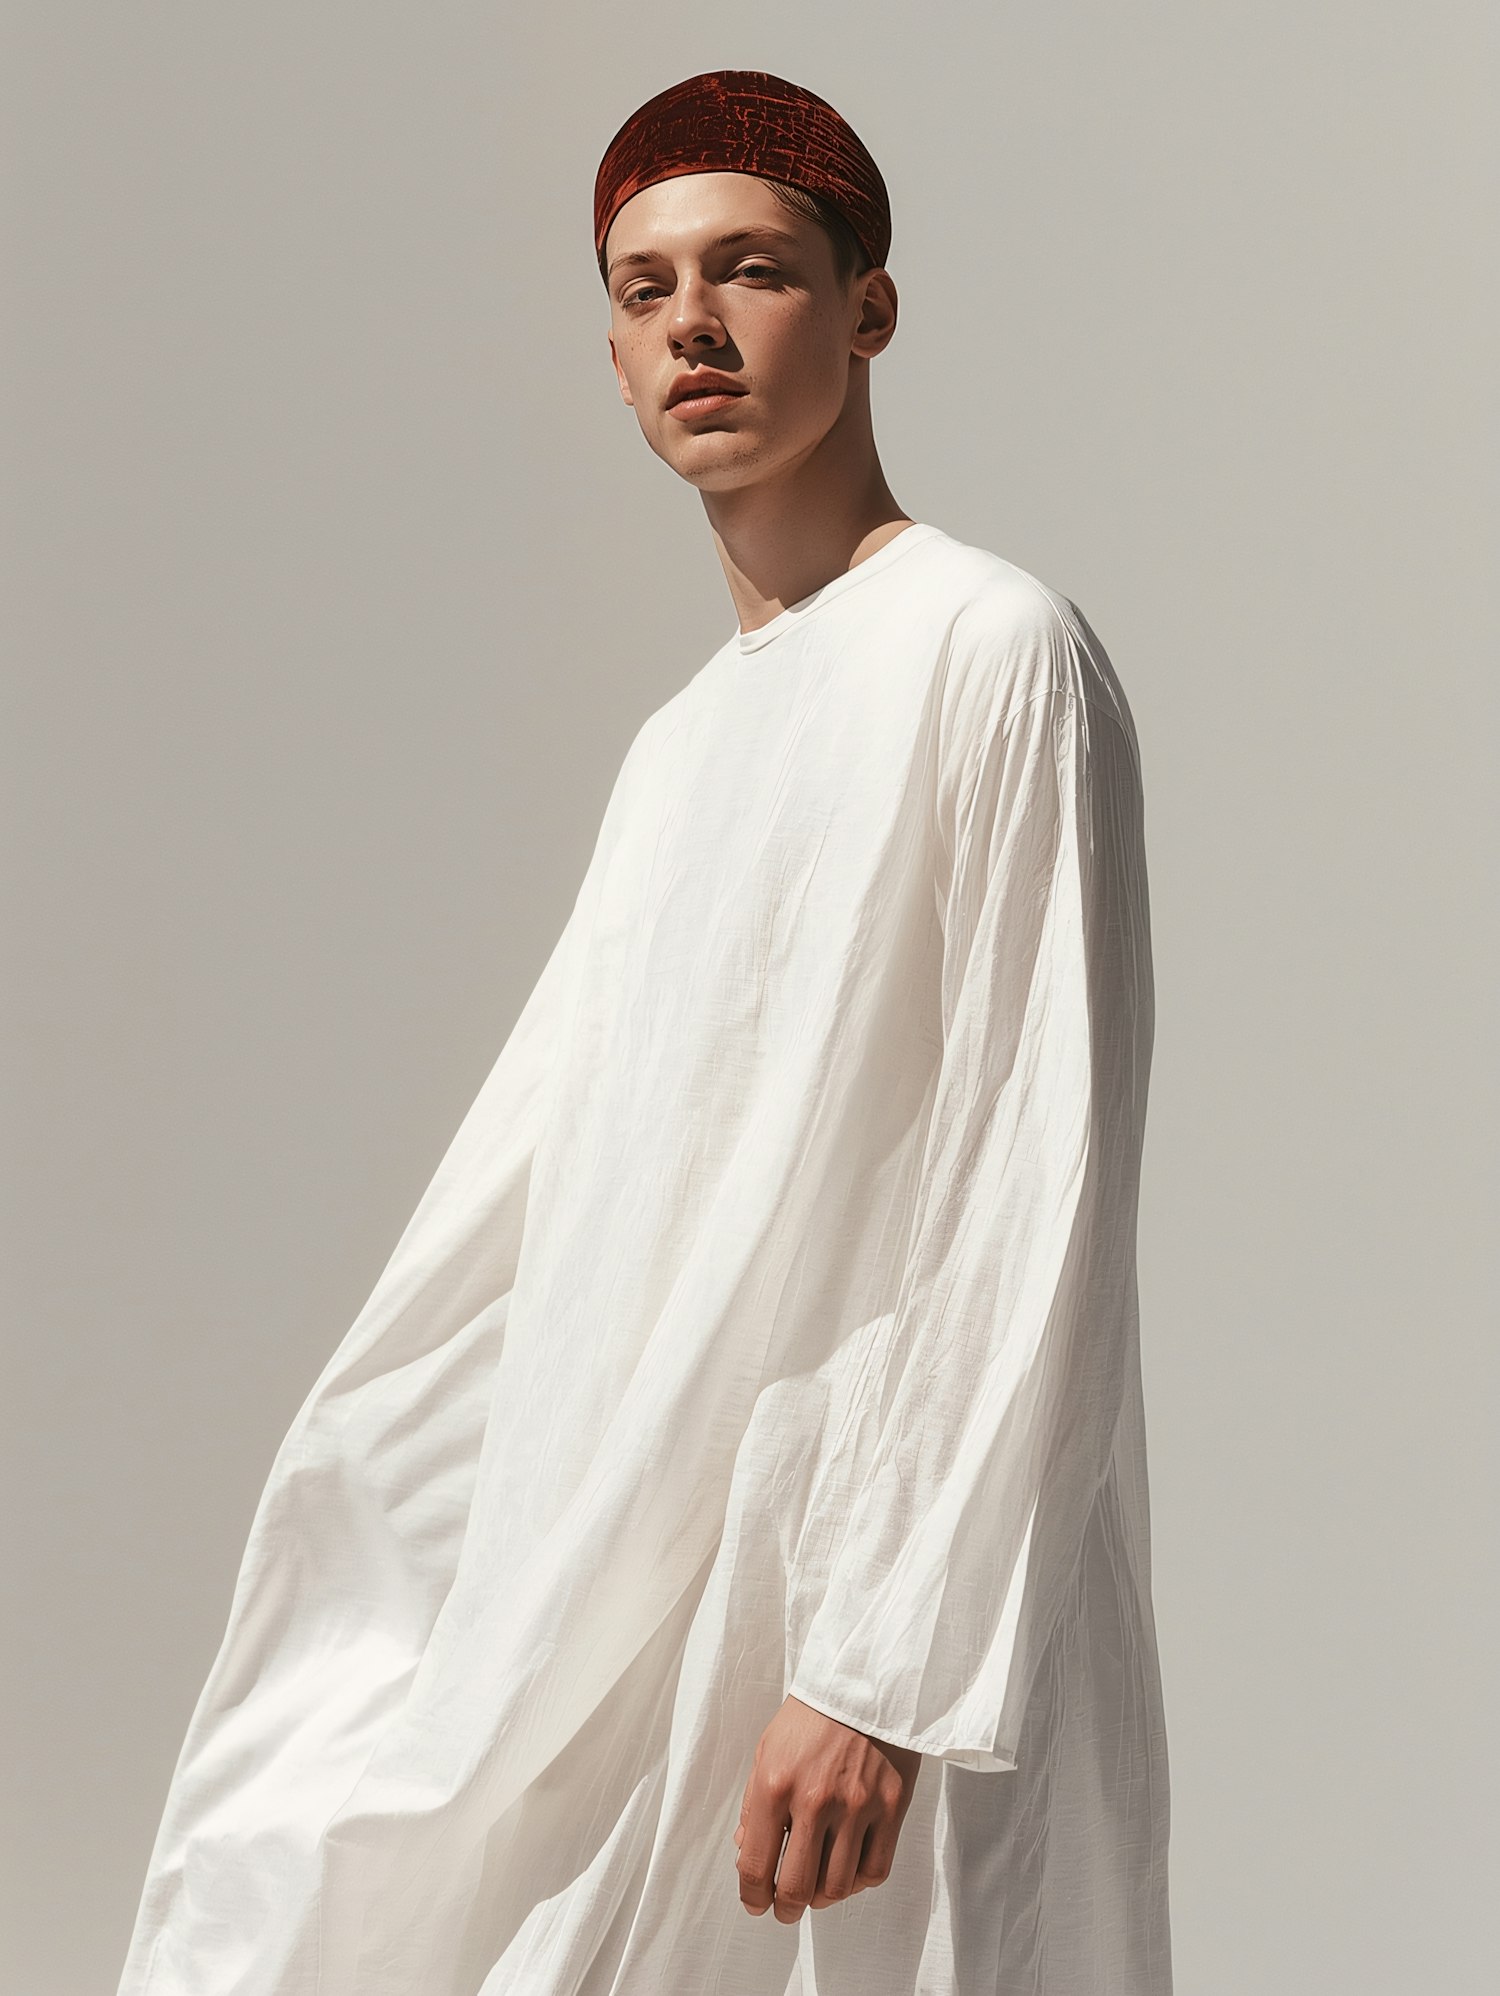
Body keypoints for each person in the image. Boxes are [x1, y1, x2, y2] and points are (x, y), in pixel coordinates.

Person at [116, 67, 1172, 1996]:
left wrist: (876, 1666)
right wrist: (422, 1594)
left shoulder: (990, 646)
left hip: (888, 1624)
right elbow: (559, 1218)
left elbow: (1040, 1176)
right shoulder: (680, 752)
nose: (694, 323)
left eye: (752, 268)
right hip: (648, 1598)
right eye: (643, 286)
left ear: (867, 306)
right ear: (611, 356)